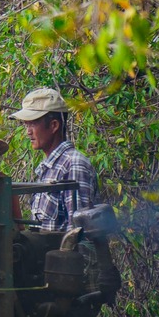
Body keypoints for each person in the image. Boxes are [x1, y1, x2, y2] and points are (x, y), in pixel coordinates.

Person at [11, 87, 96, 231]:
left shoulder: (73, 164)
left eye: (33, 123)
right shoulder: (48, 168)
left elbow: (79, 233)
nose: (28, 132)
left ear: (54, 125)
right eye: (26, 124)